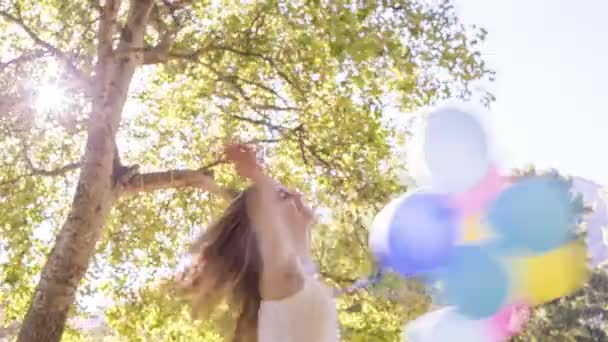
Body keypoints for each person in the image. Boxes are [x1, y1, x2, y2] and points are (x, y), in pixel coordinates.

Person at [178, 143, 339, 342]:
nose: (297, 195)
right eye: (283, 196)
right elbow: (269, 224)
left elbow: (298, 247)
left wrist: (302, 218)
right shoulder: (284, 279)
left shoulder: (298, 277)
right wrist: (256, 175)